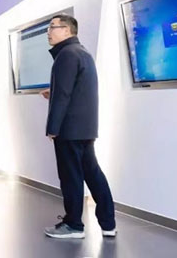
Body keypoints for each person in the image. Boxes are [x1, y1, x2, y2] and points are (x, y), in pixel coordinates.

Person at [40, 14, 116, 239]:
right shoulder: (82, 52)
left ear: (67, 30)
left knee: (70, 177)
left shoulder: (66, 54)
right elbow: (77, 90)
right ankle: (108, 224)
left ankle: (73, 225)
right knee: (93, 174)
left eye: (53, 27)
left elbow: (64, 95)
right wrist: (53, 92)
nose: (48, 32)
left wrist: (53, 127)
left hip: (69, 129)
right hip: (85, 128)